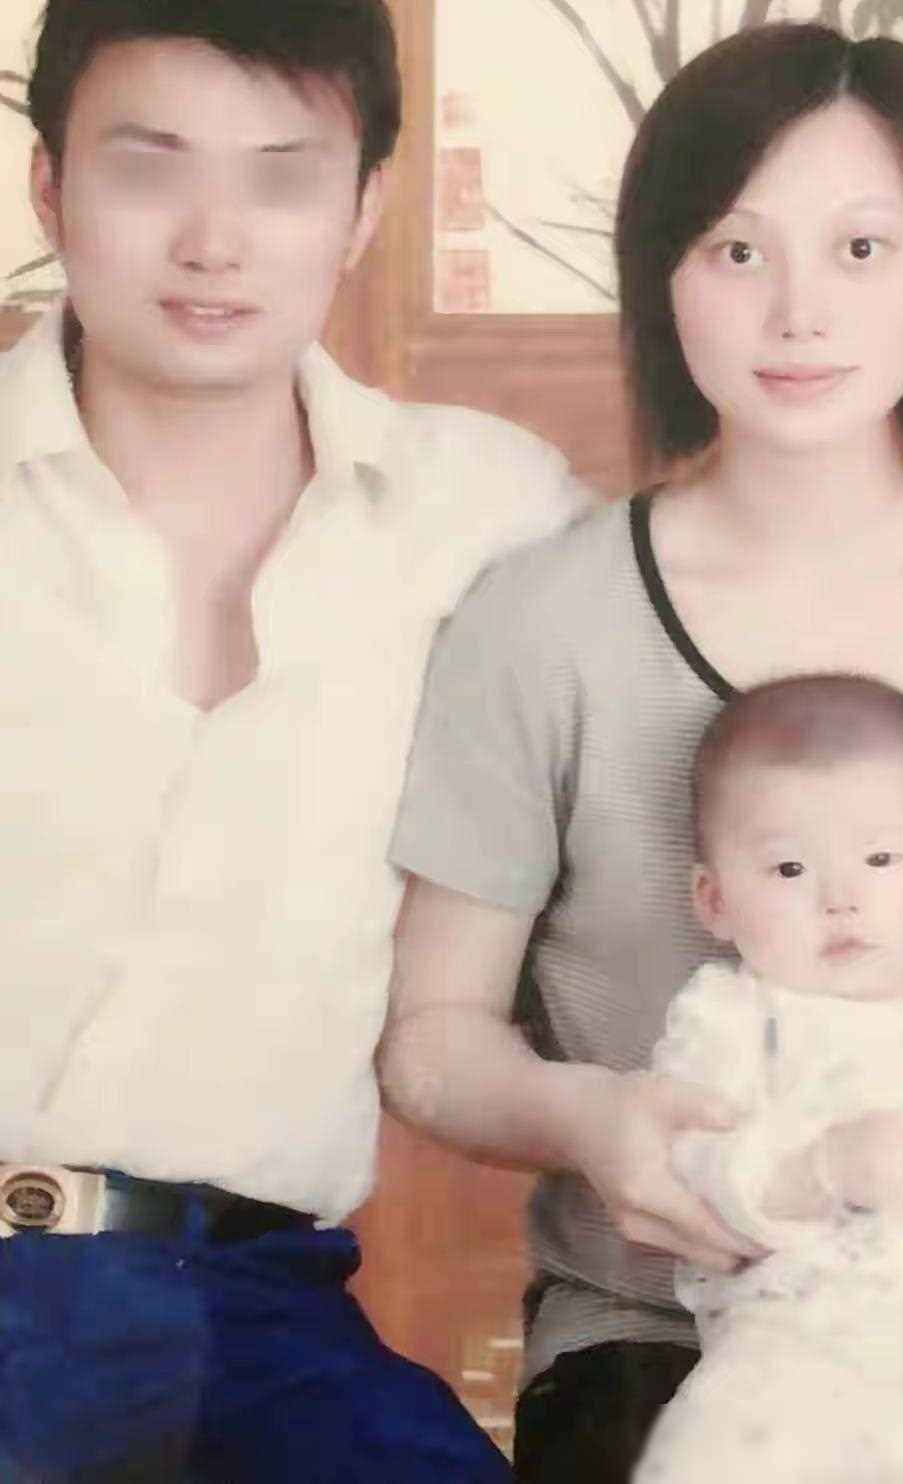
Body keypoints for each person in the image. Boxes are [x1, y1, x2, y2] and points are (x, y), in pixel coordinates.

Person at [381, 21, 903, 1484]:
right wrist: (589, 1115)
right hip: (666, 1339)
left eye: (861, 249)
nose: (799, 313)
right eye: (737, 250)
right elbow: (433, 1040)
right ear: (662, 278)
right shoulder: (541, 622)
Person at [0, 1, 585, 1479]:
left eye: (281, 176)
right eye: (150, 168)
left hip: (257, 1307)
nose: (216, 243)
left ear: (365, 206)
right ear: (49, 185)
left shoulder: (485, 512)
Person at [635, 674, 903, 1483]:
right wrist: (818, 1169)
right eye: (789, 869)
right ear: (714, 898)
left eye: (880, 859)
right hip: (809, 1352)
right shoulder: (730, 1022)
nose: (841, 899)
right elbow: (689, 1162)